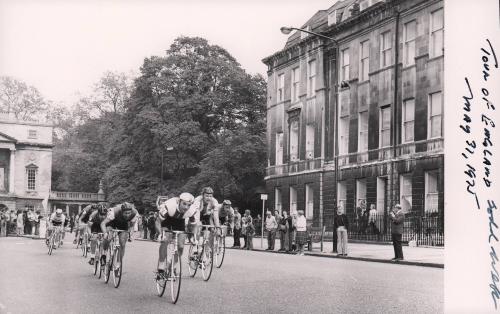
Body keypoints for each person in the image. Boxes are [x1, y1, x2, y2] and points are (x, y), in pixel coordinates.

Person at [155, 193, 197, 278]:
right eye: (184, 204)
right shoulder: (169, 206)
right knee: (165, 239)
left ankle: (173, 266)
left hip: (180, 222)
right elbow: (158, 222)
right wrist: (160, 234)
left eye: (188, 205)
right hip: (167, 220)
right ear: (179, 201)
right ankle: (161, 265)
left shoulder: (192, 210)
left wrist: (193, 237)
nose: (186, 207)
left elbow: (193, 225)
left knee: (181, 246)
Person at [100, 202, 138, 267]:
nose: (127, 215)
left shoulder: (135, 213)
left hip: (123, 225)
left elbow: (131, 227)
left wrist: (130, 235)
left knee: (122, 243)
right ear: (122, 211)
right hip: (112, 223)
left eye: (129, 213)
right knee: (109, 237)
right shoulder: (114, 212)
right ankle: (104, 253)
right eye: (125, 213)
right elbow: (103, 224)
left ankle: (118, 263)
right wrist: (105, 233)